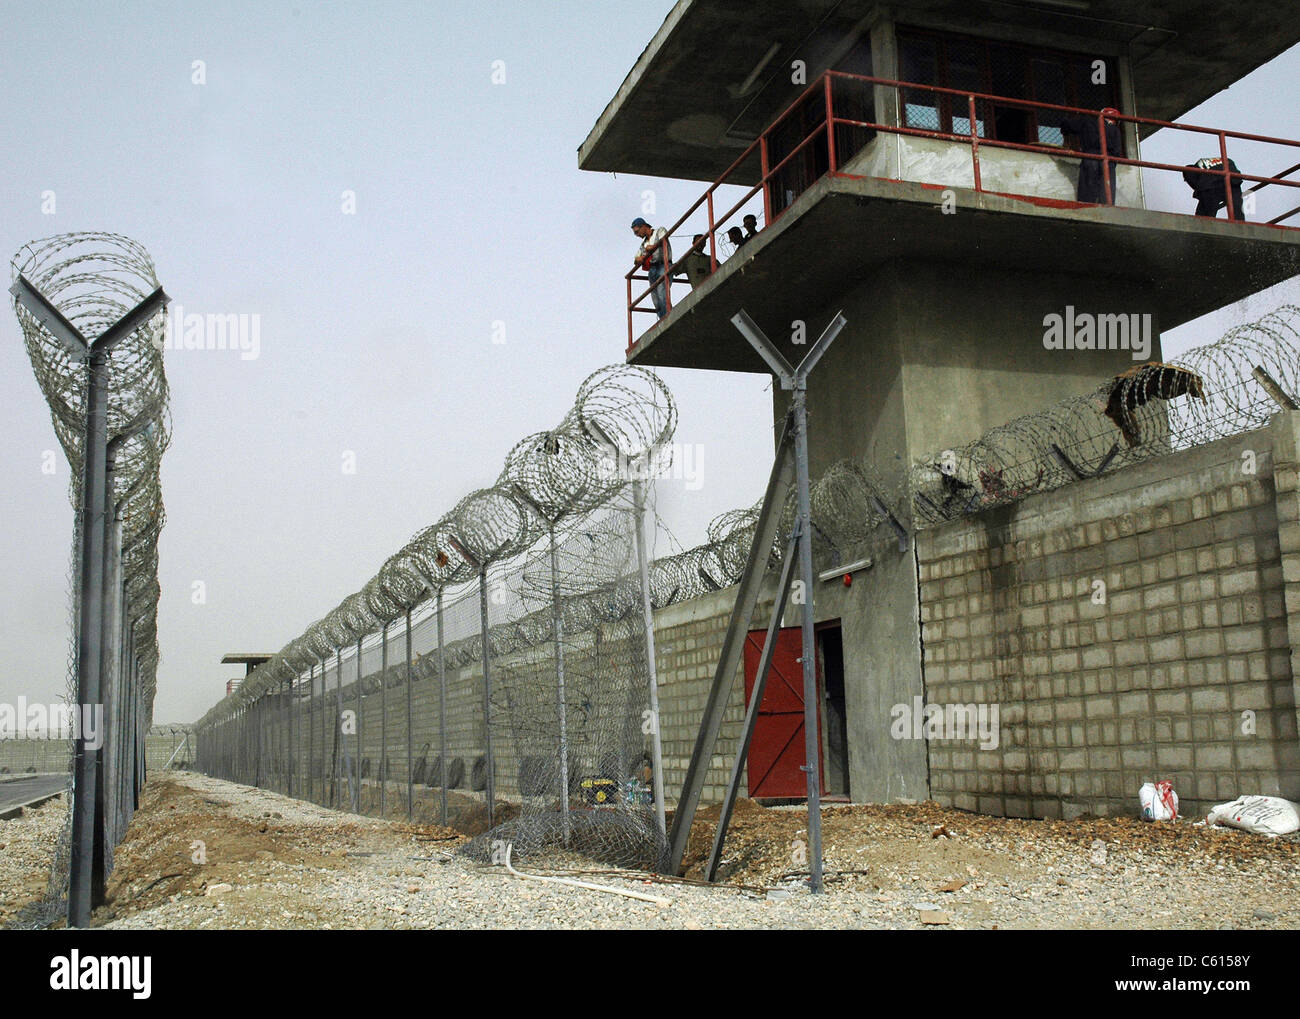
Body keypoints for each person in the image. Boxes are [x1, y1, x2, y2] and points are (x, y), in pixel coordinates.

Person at [1061, 107, 1122, 205]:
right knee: (1107, 199)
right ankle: (1106, 212)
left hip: (1090, 157)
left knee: (1087, 199)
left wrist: (1065, 133)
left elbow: (1067, 124)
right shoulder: (1116, 130)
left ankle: (1085, 209)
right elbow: (1117, 152)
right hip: (1108, 162)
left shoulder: (1087, 121)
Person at [631, 217, 671, 318]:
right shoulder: (644, 243)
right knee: (655, 298)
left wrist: (653, 247)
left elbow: (663, 240)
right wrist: (638, 259)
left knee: (662, 292)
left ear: (643, 226)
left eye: (637, 231)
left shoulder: (659, 231)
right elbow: (636, 258)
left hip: (664, 264)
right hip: (653, 269)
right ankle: (662, 318)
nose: (636, 235)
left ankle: (668, 316)